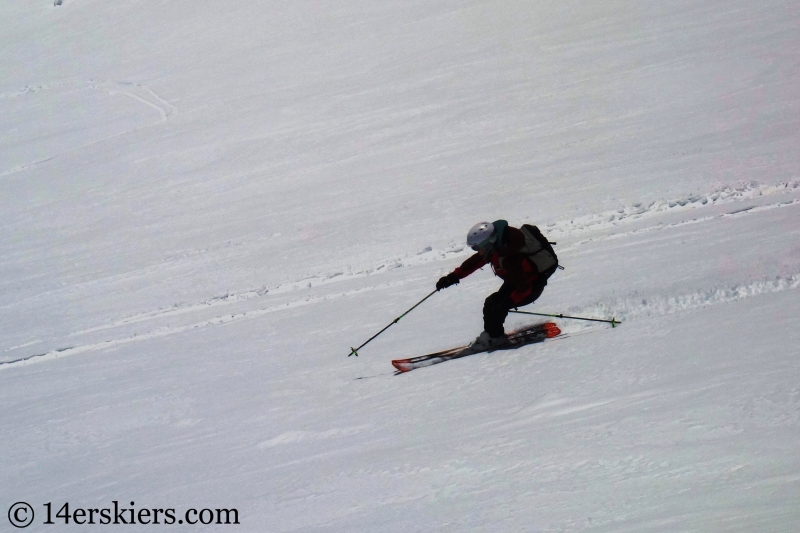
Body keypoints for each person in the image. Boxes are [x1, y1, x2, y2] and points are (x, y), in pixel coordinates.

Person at [436, 220, 559, 350]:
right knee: (493, 304)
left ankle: (494, 338)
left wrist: (508, 301)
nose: (476, 250)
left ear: (487, 244)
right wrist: (453, 277)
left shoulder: (508, 257)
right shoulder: (497, 247)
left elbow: (525, 288)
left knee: (495, 305)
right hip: (517, 281)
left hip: (531, 286)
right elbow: (475, 262)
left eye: (476, 247)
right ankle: (493, 335)